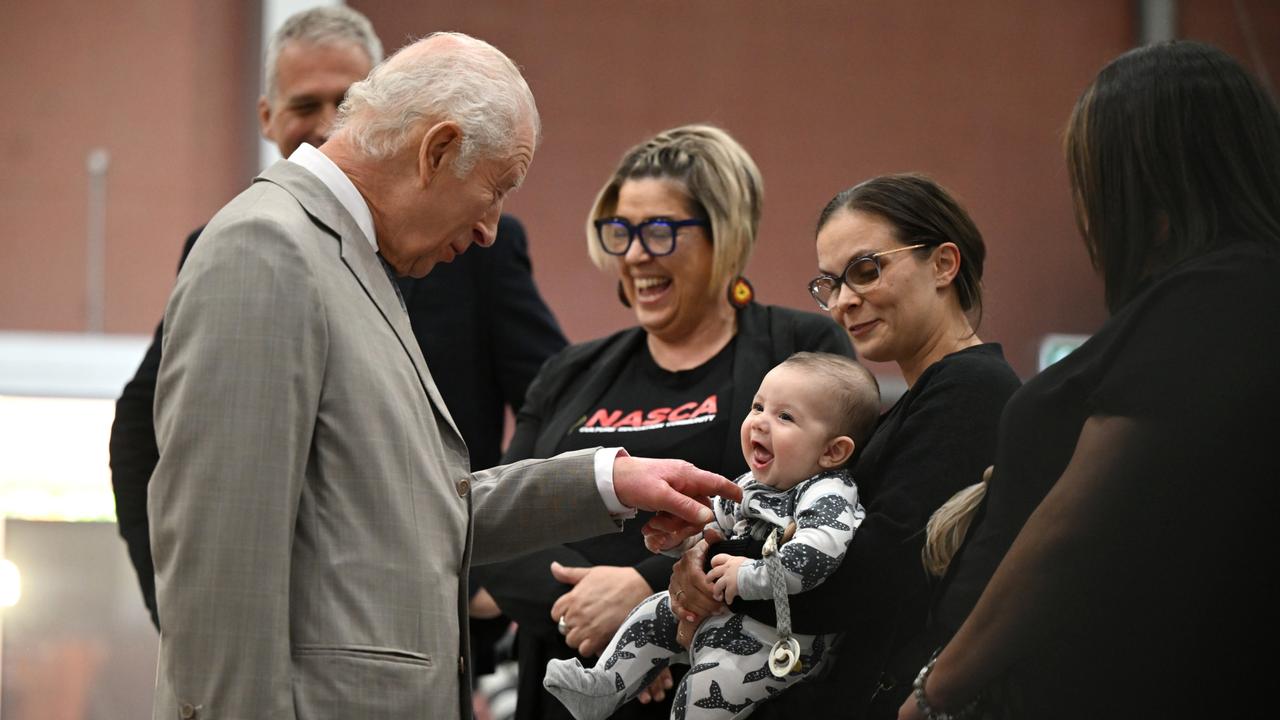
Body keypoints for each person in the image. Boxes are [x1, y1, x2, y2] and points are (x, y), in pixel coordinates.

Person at [148, 32, 743, 720]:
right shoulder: (267, 249)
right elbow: (219, 574)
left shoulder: (348, 260)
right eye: (494, 190)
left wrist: (607, 479)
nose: (491, 228)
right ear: (436, 151)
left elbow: (411, 510)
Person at [107, 5, 566, 631]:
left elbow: (549, 401)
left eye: (344, 103)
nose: (327, 127)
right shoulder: (252, 247)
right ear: (267, 116)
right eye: (305, 105)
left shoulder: (466, 248)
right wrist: (178, 612)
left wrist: (495, 579)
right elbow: (209, 515)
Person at [898, 41, 1280, 720]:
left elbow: (1076, 528)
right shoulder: (1195, 302)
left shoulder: (1222, 294)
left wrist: (938, 690)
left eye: (1094, 173)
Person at [473, 124, 854, 720]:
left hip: (724, 683)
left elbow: (808, 509)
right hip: (570, 680)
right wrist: (603, 628)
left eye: (659, 231)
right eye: (620, 231)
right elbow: (499, 529)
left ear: (724, 234)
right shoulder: (569, 372)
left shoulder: (801, 353)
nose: (634, 254)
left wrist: (647, 589)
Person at [655, 173, 1022, 718]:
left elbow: (869, 578)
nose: (845, 301)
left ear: (944, 264)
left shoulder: (971, 389)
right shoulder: (924, 397)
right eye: (830, 283)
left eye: (866, 270)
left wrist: (716, 568)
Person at [544, 352, 880, 720]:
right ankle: (602, 687)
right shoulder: (751, 484)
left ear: (833, 451)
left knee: (703, 690)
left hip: (780, 639)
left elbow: (816, 556)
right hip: (728, 611)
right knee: (651, 613)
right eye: (758, 407)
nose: (759, 423)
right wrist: (680, 542)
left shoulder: (828, 492)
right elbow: (712, 533)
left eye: (785, 416)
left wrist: (748, 576)